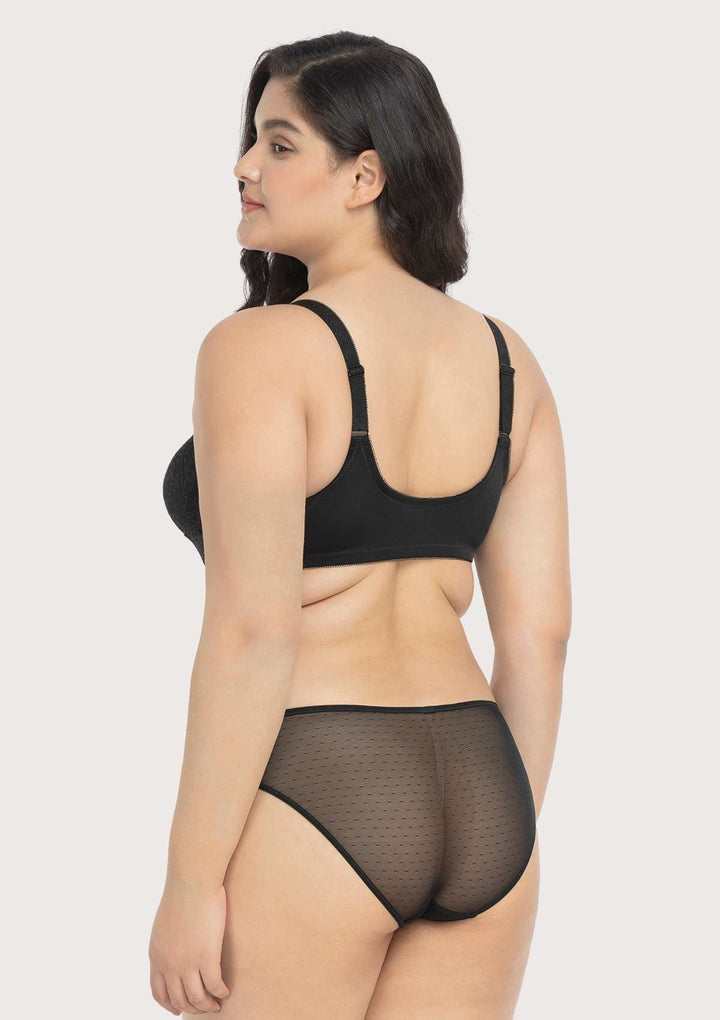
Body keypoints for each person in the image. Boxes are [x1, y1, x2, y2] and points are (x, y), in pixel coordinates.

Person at [149, 30, 570, 1020]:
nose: (244, 167)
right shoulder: (510, 361)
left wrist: (190, 882)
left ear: (365, 176)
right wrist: (504, 830)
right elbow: (541, 639)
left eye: (279, 143)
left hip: (322, 783)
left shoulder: (261, 350)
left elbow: (254, 633)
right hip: (484, 790)